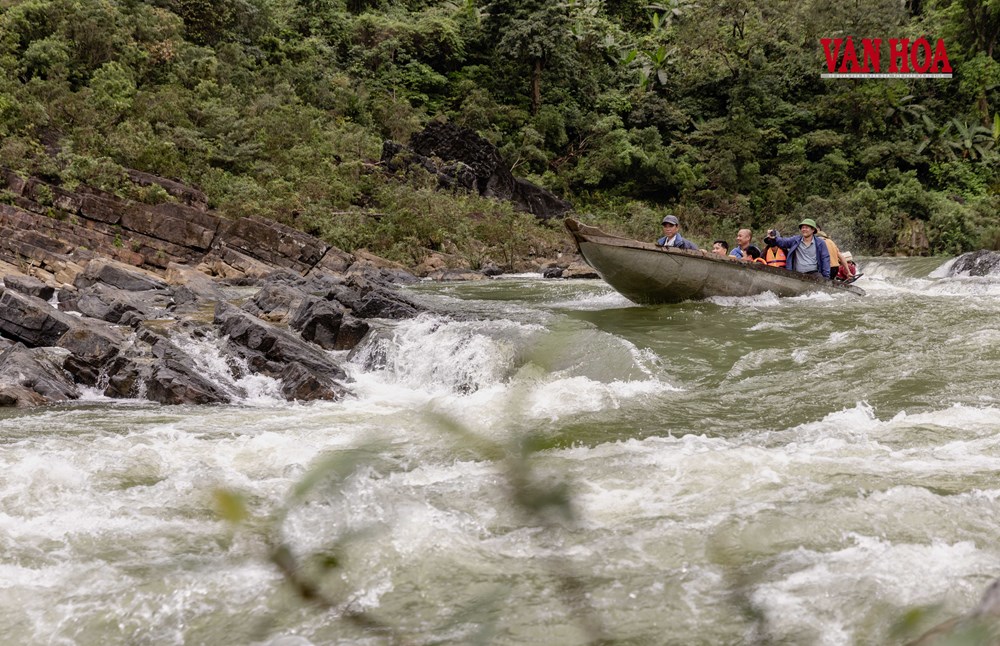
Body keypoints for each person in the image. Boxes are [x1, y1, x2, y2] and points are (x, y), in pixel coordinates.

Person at [764, 218, 830, 278]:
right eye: (802, 228)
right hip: (798, 274)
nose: (804, 229)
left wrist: (826, 277)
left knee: (819, 282)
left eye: (806, 228)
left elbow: (825, 259)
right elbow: (783, 242)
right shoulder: (795, 240)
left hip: (814, 273)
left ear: (813, 230)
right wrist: (774, 236)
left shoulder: (820, 243)